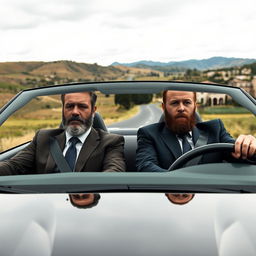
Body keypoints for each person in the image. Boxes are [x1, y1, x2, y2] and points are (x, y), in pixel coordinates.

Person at [0, 91, 126, 175]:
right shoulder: (43, 138)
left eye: (82, 106)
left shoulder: (111, 142)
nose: (75, 112)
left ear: (93, 111)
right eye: (69, 106)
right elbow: (13, 166)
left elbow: (115, 172)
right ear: (63, 109)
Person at [136, 90, 256, 172]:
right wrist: (181, 182)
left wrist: (249, 145)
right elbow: (145, 166)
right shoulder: (149, 134)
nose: (181, 108)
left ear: (195, 106)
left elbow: (240, 154)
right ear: (163, 107)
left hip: (210, 196)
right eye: (174, 103)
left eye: (187, 102)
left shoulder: (215, 129)